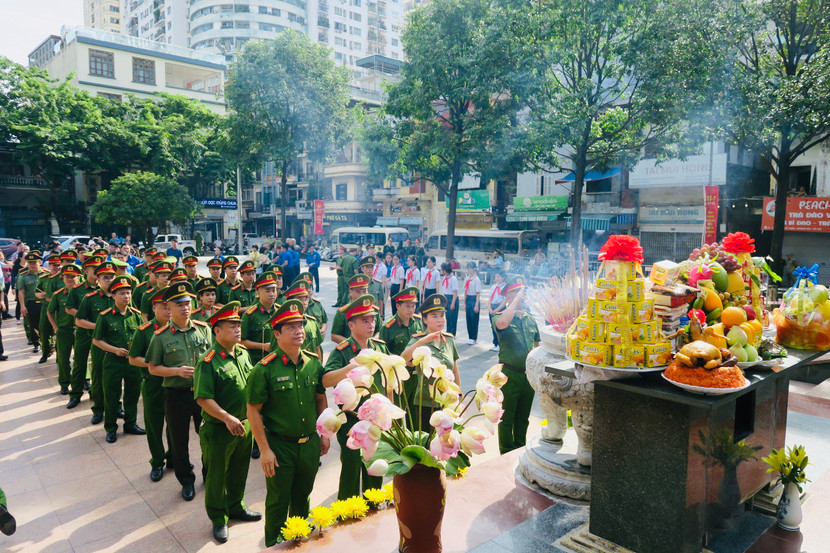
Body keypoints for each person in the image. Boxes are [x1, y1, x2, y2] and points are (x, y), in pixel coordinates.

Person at [247, 299, 329, 547]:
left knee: (302, 496)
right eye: (290, 327)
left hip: (309, 444)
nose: (299, 331)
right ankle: (273, 544)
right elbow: (253, 412)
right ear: (276, 333)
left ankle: (297, 541)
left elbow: (320, 399)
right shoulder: (263, 370)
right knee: (278, 500)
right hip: (280, 446)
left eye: (300, 325)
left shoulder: (313, 363)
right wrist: (264, 450)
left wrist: (324, 434)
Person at [195, 301, 261, 543]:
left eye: (238, 325)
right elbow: (203, 398)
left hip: (244, 426)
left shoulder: (242, 353)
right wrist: (226, 417)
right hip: (219, 429)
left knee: (239, 470)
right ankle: (218, 517)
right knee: (217, 476)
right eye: (231, 326)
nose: (237, 329)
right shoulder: (208, 361)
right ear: (217, 331)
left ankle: (236, 506)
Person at [146, 282, 213, 501]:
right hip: (176, 395)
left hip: (202, 394)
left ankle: (208, 474)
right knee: (178, 441)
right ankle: (186, 480)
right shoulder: (161, 336)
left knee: (208, 437)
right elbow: (152, 367)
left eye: (187, 303)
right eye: (178, 304)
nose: (184, 308)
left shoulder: (204, 330)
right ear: (169, 308)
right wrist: (176, 371)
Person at [321, 295, 387, 499]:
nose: (371, 324)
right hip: (351, 421)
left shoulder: (379, 347)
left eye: (373, 319)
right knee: (351, 468)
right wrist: (350, 367)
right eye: (365, 320)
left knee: (374, 467)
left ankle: (373, 504)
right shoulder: (343, 351)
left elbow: (387, 385)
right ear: (351, 325)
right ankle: (347, 512)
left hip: (375, 421)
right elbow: (325, 380)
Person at [92, 275, 146, 444]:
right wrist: (115, 350)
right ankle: (110, 427)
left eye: (129, 293)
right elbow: (96, 340)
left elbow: (142, 337)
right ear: (113, 295)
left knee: (132, 394)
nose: (126, 297)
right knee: (112, 395)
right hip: (112, 361)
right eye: (122, 293)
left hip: (132, 362)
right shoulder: (105, 316)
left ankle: (130, 423)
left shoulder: (136, 315)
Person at [128, 288, 174, 482]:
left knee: (174, 425)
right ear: (154, 307)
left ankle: (174, 457)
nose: (168, 311)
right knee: (154, 425)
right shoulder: (144, 331)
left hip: (175, 384)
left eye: (170, 307)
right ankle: (157, 461)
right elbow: (132, 359)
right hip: (154, 383)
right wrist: (154, 365)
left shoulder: (178, 330)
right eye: (164, 307)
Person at [493, 277, 540, 454]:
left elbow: (537, 346)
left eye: (523, 294)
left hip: (528, 377)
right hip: (508, 376)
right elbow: (502, 324)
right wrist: (515, 301)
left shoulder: (530, 319)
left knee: (523, 418)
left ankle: (520, 450)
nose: (522, 298)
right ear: (508, 298)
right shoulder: (500, 317)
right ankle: (505, 453)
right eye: (517, 295)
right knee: (506, 418)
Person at [401, 294, 461, 430]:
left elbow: (455, 370)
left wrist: (459, 396)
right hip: (425, 404)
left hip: (447, 403)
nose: (440, 320)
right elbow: (403, 358)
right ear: (424, 319)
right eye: (434, 316)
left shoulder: (449, 340)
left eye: (442, 315)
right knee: (426, 447)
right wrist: (422, 341)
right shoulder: (419, 340)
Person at [74, 261, 118, 423]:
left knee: (115, 379)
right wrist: (100, 326)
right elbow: (79, 321)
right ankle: (98, 409)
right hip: (99, 344)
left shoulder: (121, 296)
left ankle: (115, 406)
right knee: (98, 378)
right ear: (98, 279)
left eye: (112, 277)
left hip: (117, 344)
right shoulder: (90, 299)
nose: (109, 280)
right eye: (105, 277)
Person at [47, 265, 83, 393]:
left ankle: (85, 380)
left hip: (81, 330)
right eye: (67, 276)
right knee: (63, 358)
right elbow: (49, 311)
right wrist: (55, 328)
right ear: (62, 278)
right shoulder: (58, 295)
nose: (70, 279)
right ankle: (64, 383)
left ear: (79, 278)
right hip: (64, 330)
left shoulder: (84, 293)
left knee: (81, 357)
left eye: (73, 276)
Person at [240, 271, 281, 367]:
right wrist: (262, 346)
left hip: (279, 362)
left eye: (273, 290)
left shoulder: (280, 312)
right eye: (267, 291)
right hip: (258, 363)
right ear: (258, 292)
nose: (271, 294)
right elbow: (240, 341)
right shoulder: (250, 315)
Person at [276, 280, 323, 358]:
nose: (304, 302)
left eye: (306, 299)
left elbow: (317, 347)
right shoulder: (281, 324)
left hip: (310, 365)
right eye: (300, 299)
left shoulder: (312, 322)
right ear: (291, 301)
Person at [330, 274, 382, 344]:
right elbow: (334, 336)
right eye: (358, 292)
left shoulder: (374, 310)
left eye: (364, 291)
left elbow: (380, 331)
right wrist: (353, 344)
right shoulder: (343, 312)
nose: (362, 295)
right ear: (350, 292)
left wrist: (371, 343)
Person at [379, 286, 424, 356]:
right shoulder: (387, 328)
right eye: (408, 306)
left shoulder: (418, 321)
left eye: (413, 306)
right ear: (397, 306)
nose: (411, 310)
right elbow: (382, 353)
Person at [17, 252, 46, 355]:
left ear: (39, 262)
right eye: (30, 263)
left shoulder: (46, 273)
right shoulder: (23, 276)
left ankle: (49, 342)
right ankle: (36, 343)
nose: (32, 265)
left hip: (44, 303)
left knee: (47, 323)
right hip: (31, 303)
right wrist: (22, 305)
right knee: (33, 324)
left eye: (34, 262)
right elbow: (21, 291)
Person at [35, 254, 63, 363]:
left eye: (57, 265)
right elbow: (37, 292)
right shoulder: (44, 278)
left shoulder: (63, 278)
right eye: (53, 265)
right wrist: (42, 295)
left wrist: (49, 295)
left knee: (59, 332)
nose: (55, 267)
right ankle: (45, 353)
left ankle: (59, 356)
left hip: (60, 309)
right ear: (49, 265)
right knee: (44, 330)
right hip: (47, 308)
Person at [463, 262, 482, 345]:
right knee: (468, 319)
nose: (469, 270)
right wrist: (464, 303)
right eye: (468, 268)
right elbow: (465, 292)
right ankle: (470, 337)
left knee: (474, 319)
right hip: (468, 298)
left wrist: (476, 305)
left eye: (470, 268)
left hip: (474, 299)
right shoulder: (466, 278)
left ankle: (474, 337)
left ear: (474, 269)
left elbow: (478, 293)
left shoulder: (476, 279)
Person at [439, 262, 459, 336]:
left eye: (441, 269)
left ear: (445, 270)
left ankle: (453, 333)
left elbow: (455, 292)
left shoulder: (453, 279)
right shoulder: (444, 278)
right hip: (446, 297)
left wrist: (453, 303)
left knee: (453, 317)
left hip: (452, 298)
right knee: (448, 317)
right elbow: (444, 290)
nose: (441, 271)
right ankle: (448, 332)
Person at [488, 271, 506, 352]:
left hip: (500, 308)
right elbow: (490, 298)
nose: (497, 278)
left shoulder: (505, 287)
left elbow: (505, 300)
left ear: (503, 277)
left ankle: (500, 344)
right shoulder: (493, 287)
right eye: (496, 277)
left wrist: (497, 309)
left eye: (499, 277)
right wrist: (490, 308)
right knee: (493, 326)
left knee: (499, 327)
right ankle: (495, 343)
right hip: (492, 307)